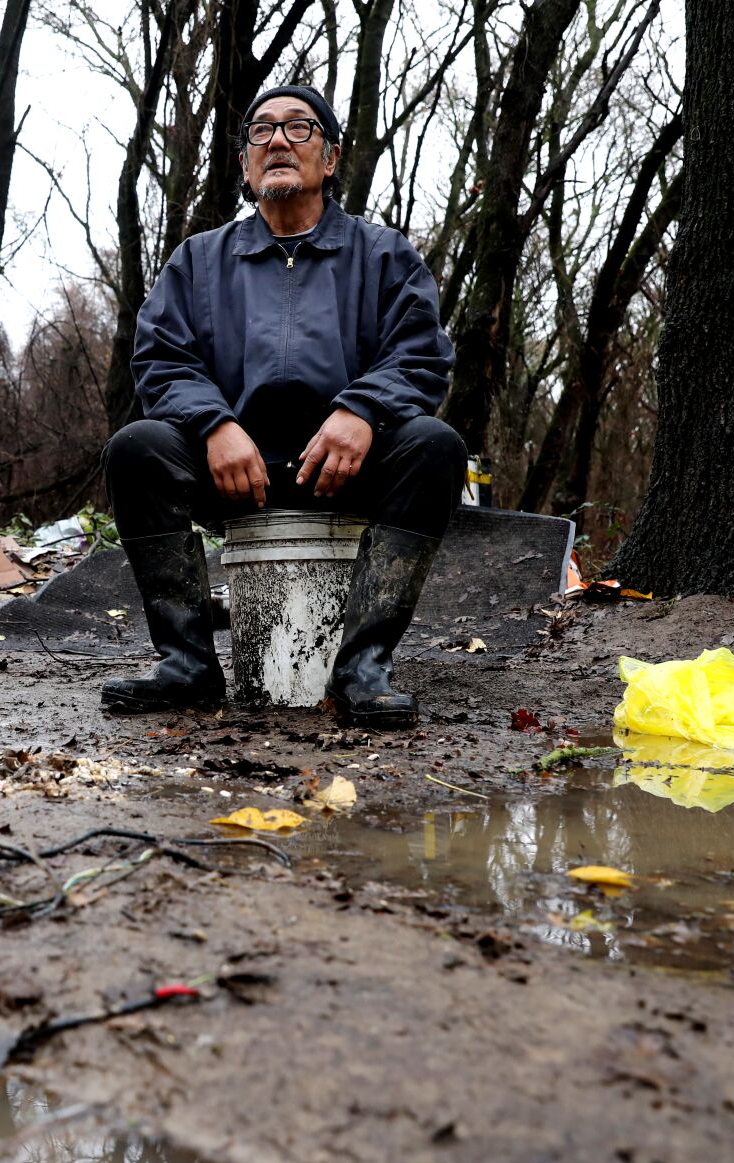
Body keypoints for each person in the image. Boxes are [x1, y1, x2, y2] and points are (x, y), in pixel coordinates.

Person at [101, 84, 464, 729]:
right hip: (234, 468)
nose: (276, 141)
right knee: (137, 449)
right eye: (261, 131)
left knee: (436, 445)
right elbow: (160, 358)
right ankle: (188, 664)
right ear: (244, 165)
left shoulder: (384, 256)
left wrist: (363, 411)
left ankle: (363, 667)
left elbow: (421, 354)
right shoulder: (199, 261)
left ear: (330, 157)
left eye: (298, 128)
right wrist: (214, 425)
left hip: (352, 464)